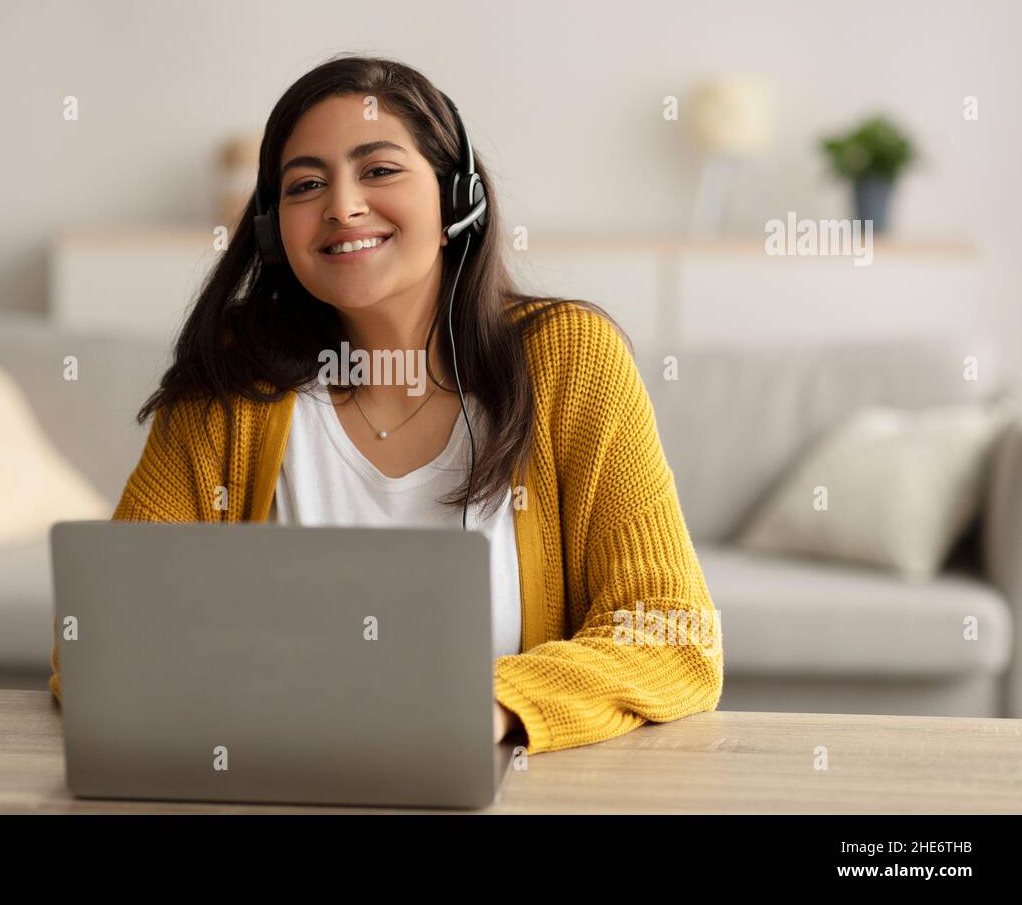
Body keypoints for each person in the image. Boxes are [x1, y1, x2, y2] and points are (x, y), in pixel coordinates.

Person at [50, 52, 723, 755]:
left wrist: (487, 704)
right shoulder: (233, 384)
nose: (342, 206)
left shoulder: (569, 358)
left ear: (455, 203)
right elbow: (99, 638)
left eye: (379, 170)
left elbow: (674, 632)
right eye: (306, 184)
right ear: (273, 231)